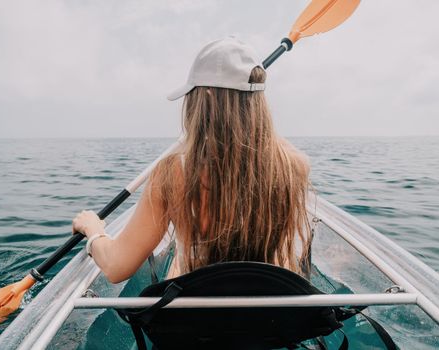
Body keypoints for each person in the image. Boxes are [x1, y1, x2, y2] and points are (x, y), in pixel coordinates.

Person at [72, 37, 313, 284]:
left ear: (205, 98)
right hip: (271, 313)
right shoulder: (294, 166)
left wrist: (93, 230)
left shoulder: (173, 172)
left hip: (199, 315)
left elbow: (116, 267)